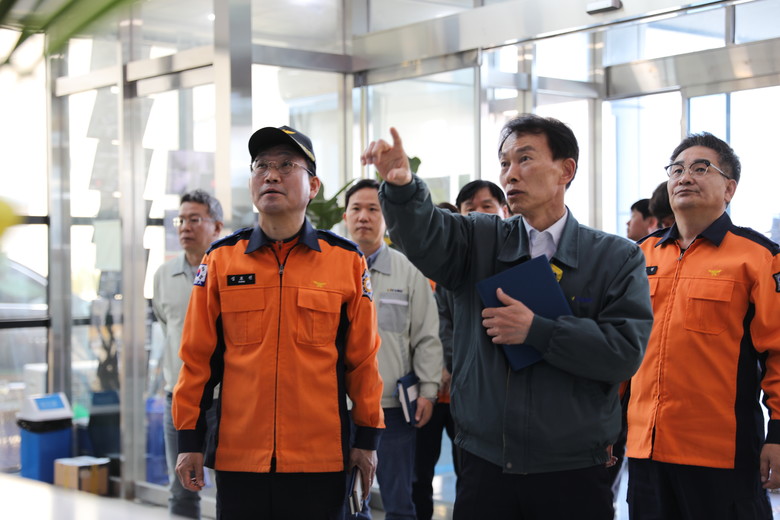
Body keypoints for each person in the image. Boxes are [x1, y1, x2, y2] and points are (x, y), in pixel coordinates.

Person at [363, 115, 653, 519]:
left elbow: (623, 353)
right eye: (504, 163)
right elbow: (426, 234)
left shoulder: (615, 257)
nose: (510, 174)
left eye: (525, 159)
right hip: (485, 464)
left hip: (573, 468)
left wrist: (538, 331)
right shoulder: (478, 239)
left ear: (566, 170)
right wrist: (402, 187)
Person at [172, 125, 385, 520]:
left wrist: (367, 439)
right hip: (240, 458)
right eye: (261, 166)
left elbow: (363, 362)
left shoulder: (345, 261)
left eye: (287, 165)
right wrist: (189, 440)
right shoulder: (221, 260)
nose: (271, 175)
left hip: (320, 459)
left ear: (313, 186)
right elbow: (197, 359)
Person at [626, 132, 780, 519]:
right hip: (644, 449)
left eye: (700, 168)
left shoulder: (758, 257)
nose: (684, 177)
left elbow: (778, 353)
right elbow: (622, 348)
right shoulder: (638, 256)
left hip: (720, 454)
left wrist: (778, 434)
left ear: (729, 188)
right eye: (676, 169)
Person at [342, 178, 442, 520]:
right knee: (348, 504)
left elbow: (426, 335)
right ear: (345, 216)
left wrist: (428, 390)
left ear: (385, 216)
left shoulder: (409, 269)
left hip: (392, 410)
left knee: (400, 501)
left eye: (373, 209)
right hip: (339, 406)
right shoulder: (329, 269)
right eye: (356, 209)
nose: (364, 217)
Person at [412, 180, 509, 520]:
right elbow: (437, 328)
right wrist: (440, 368)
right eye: (470, 210)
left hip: (474, 396)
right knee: (420, 473)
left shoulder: (505, 263)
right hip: (429, 391)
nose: (478, 216)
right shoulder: (423, 274)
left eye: (487, 207)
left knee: (472, 473)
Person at [152, 189, 224, 518]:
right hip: (178, 399)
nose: (185, 227)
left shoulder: (228, 272)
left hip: (224, 399)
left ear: (217, 226)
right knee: (181, 488)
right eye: (181, 220)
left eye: (195, 219)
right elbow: (167, 327)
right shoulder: (163, 276)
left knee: (230, 487)